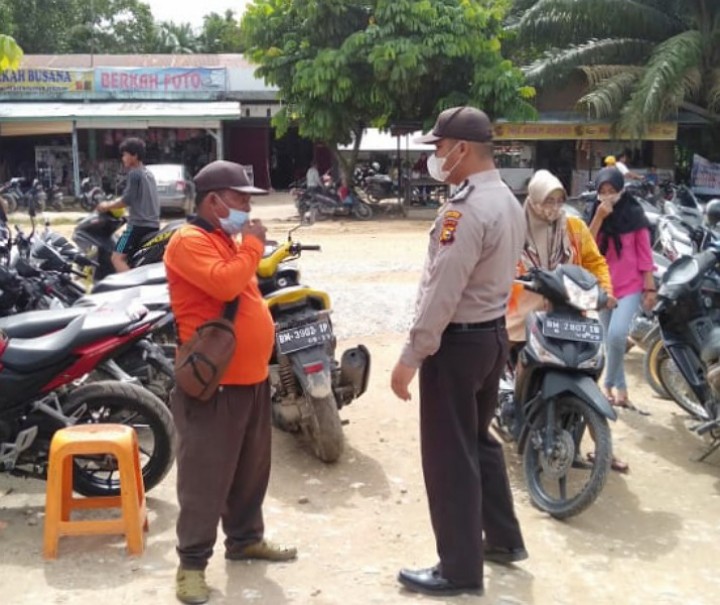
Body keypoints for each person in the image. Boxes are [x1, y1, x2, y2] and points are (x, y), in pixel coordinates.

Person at [390, 106, 528, 597]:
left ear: (462, 149)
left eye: (439, 147)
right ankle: (503, 540)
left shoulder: (465, 209)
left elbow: (442, 291)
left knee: (450, 456)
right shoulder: (509, 201)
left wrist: (411, 355)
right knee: (478, 441)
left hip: (459, 342)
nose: (436, 156)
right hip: (492, 337)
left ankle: (459, 570)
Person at [164, 160, 297, 605]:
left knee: (249, 472)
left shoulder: (224, 238)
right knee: (205, 479)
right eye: (240, 198)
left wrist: (247, 248)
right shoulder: (189, 241)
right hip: (214, 385)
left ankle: (244, 540)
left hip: (251, 380)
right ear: (213, 200)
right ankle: (191, 566)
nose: (246, 206)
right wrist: (253, 246)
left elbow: (242, 286)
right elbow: (225, 285)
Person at [506, 170, 630, 473]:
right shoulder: (514, 227)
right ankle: (509, 414)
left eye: (560, 199)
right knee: (506, 361)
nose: (554, 206)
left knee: (586, 373)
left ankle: (599, 445)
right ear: (534, 200)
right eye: (548, 200)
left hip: (568, 314)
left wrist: (607, 291)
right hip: (523, 312)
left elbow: (594, 261)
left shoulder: (573, 226)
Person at [588, 167, 655, 411]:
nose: (607, 196)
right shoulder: (595, 213)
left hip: (630, 285)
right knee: (610, 341)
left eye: (612, 191)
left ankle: (607, 384)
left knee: (617, 335)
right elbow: (587, 246)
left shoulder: (635, 214)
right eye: (602, 192)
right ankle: (622, 389)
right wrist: (599, 217)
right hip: (604, 286)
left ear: (621, 190)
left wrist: (650, 287)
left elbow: (644, 252)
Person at [96, 137, 160, 272]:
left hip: (137, 227)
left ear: (134, 156)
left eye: (125, 155)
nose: (123, 158)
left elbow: (126, 200)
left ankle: (130, 286)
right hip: (153, 225)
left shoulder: (134, 174)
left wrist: (105, 206)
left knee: (116, 258)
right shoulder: (148, 174)